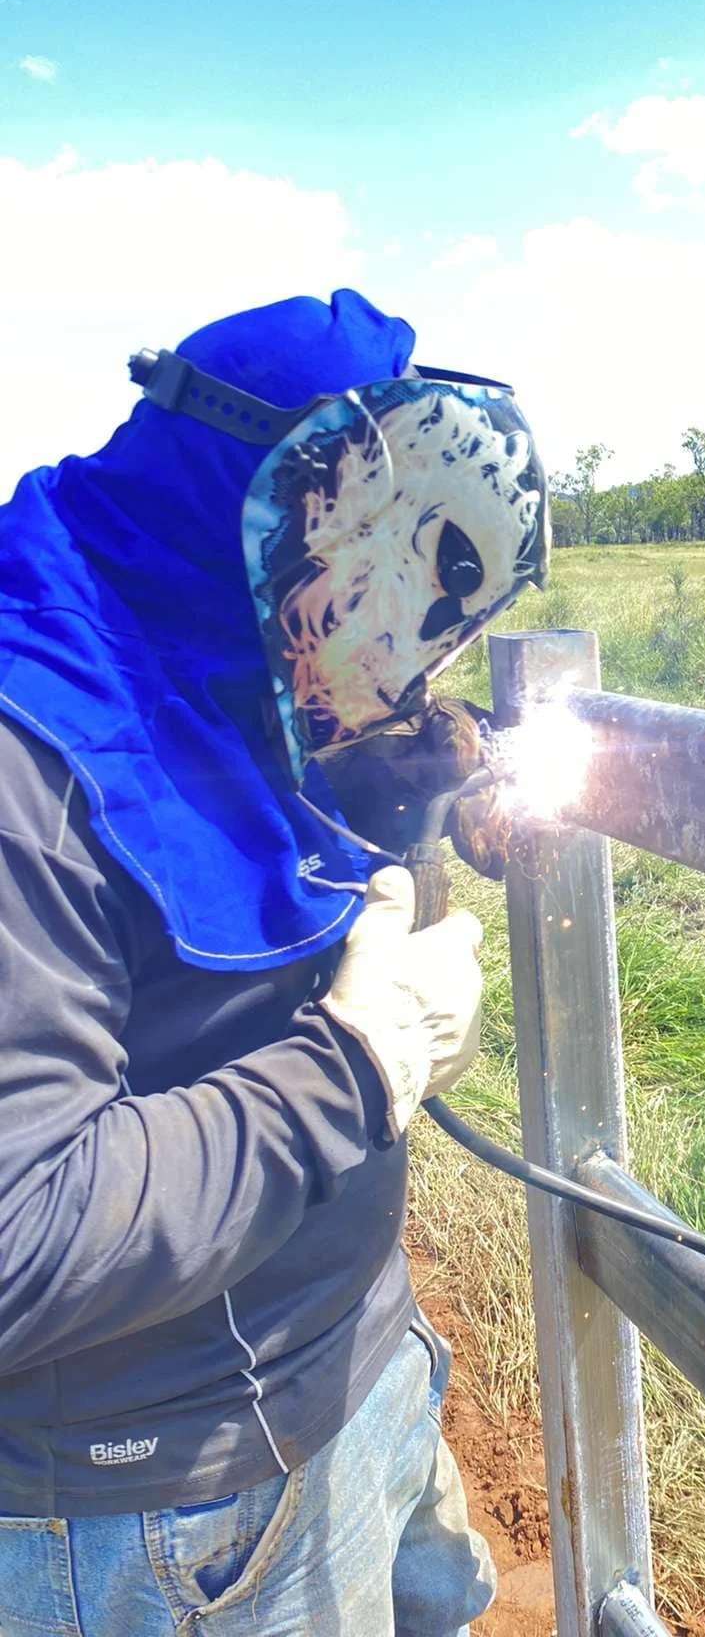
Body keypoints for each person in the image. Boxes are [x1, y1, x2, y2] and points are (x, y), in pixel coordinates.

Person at [0, 290, 549, 1634]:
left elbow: (207, 864)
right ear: (310, 518)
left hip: (352, 1359)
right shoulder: (29, 743)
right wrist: (359, 1068)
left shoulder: (197, 623)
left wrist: (400, 791)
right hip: (166, 1504)